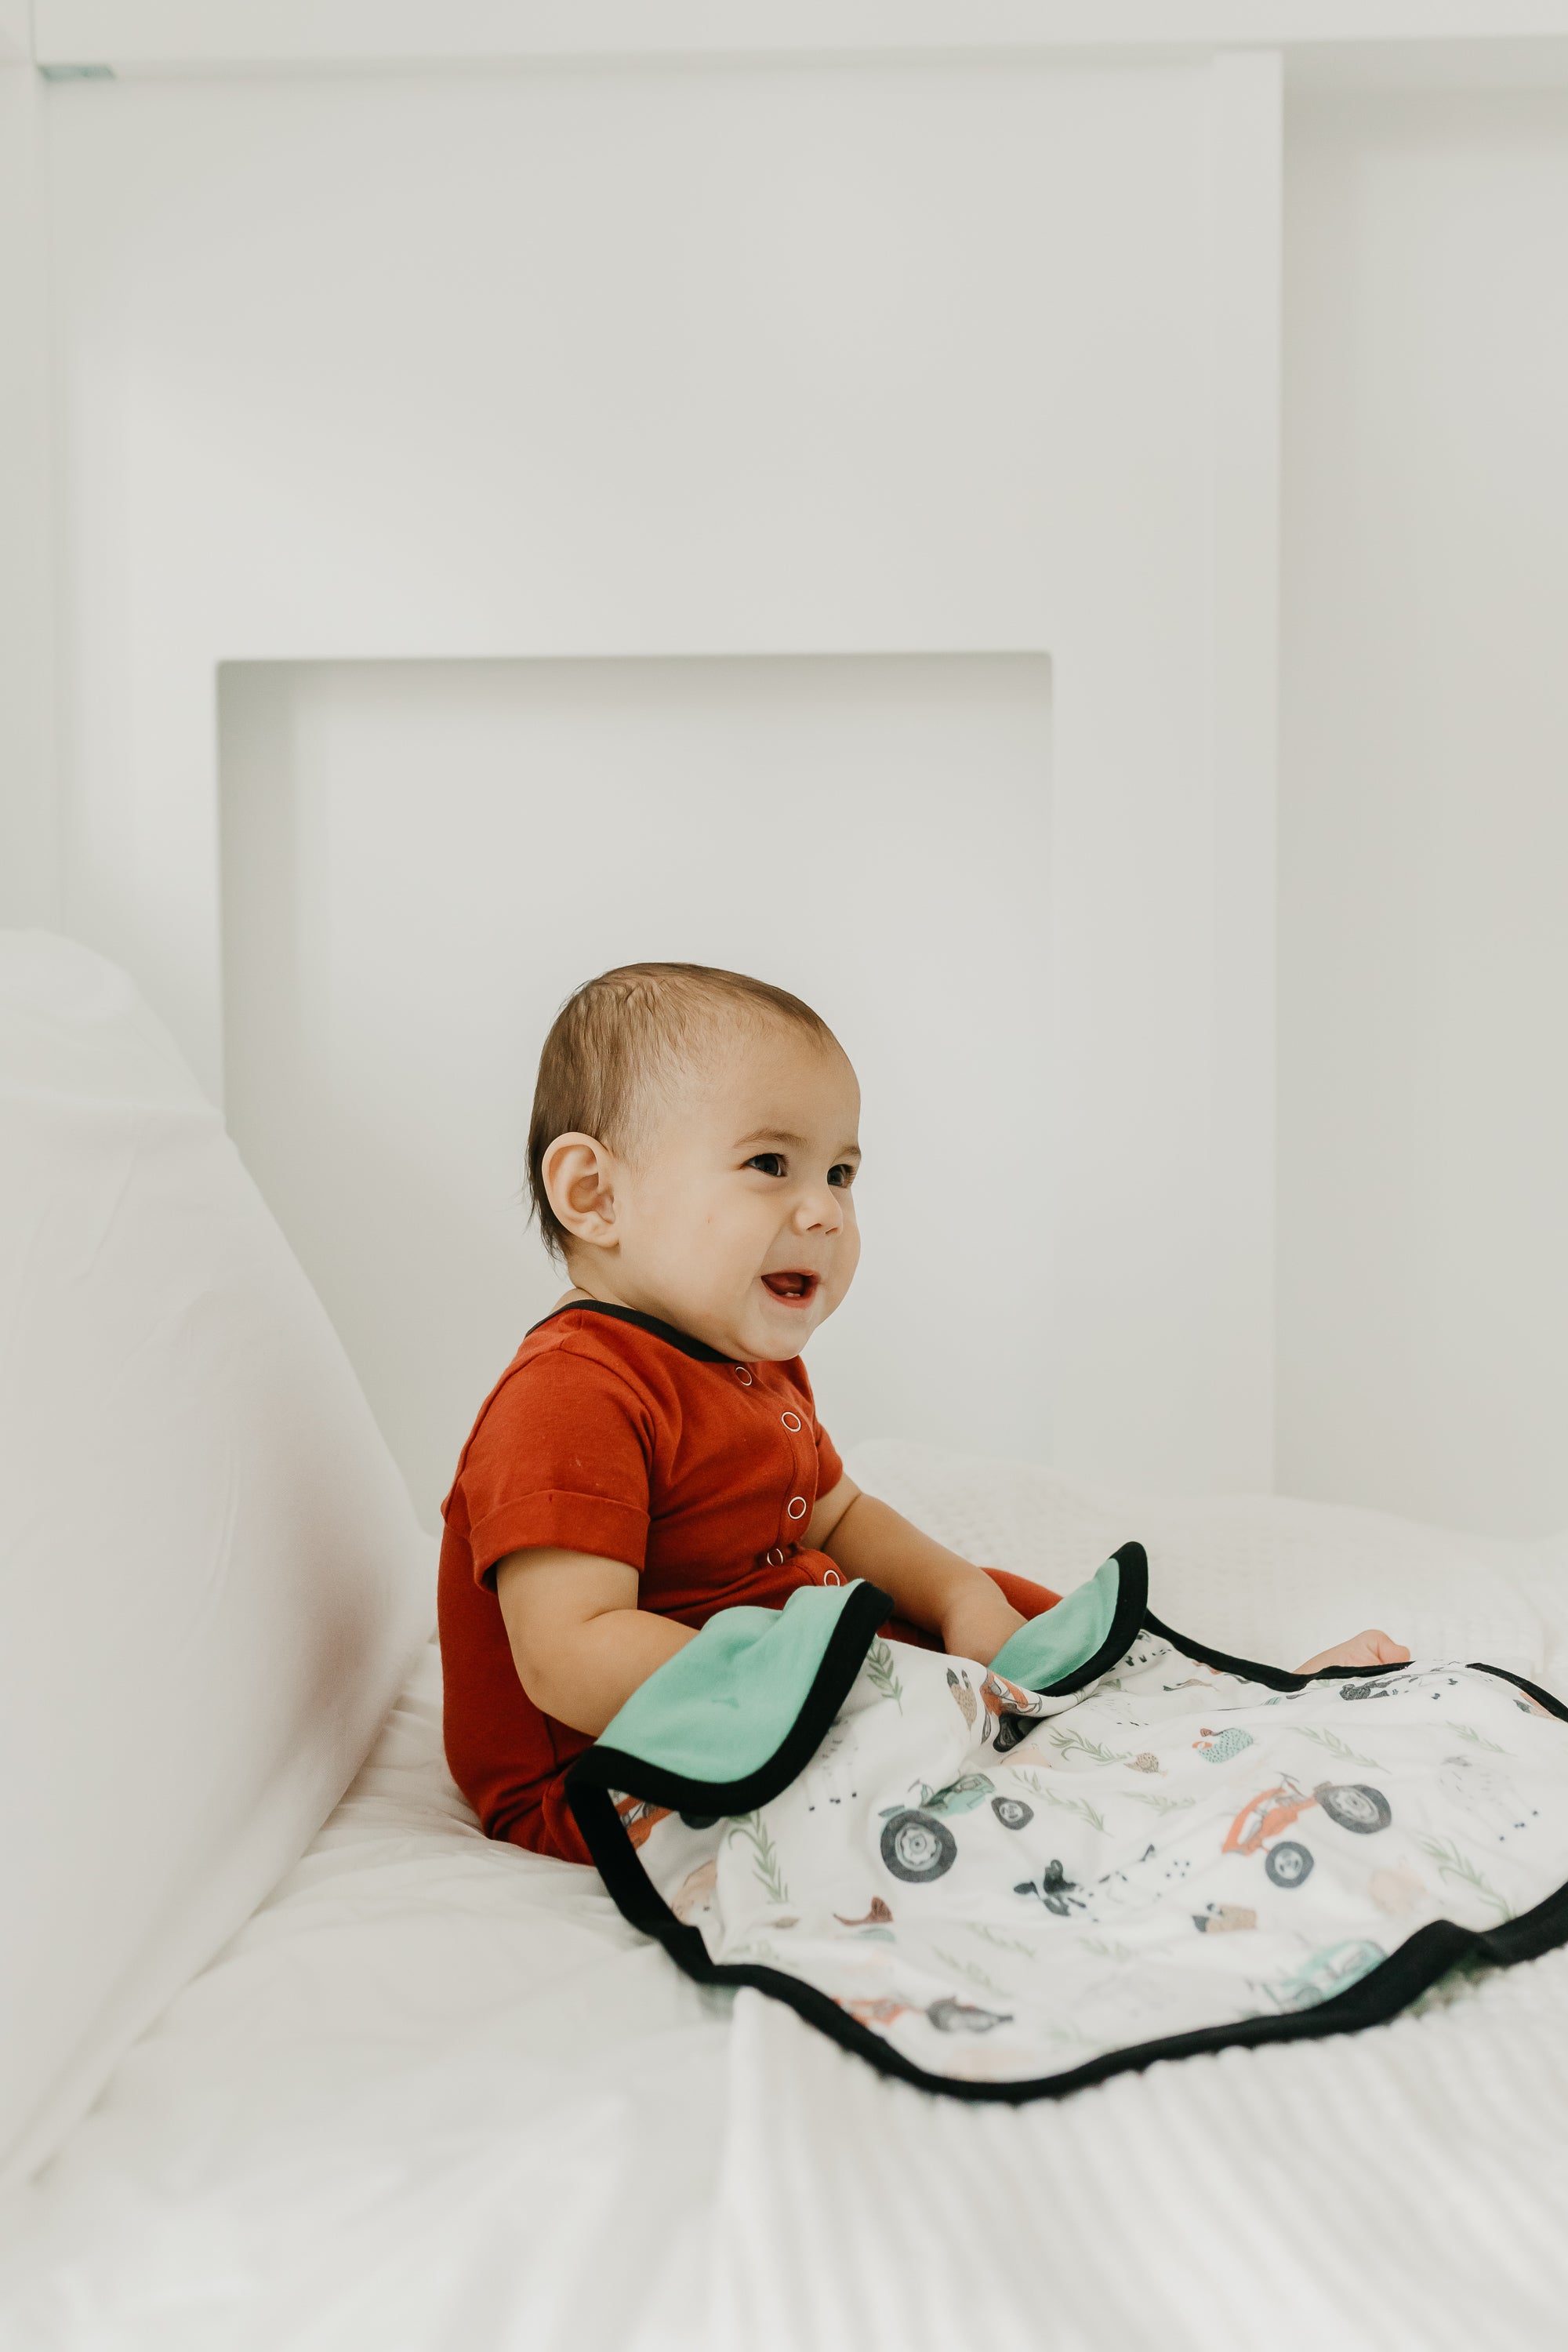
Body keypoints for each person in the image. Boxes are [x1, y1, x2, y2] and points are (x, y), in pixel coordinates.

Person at [437, 964, 1407, 1864]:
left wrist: (956, 1597)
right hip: (623, 1763)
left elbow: (838, 1515)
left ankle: (1219, 1708)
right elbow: (567, 1654)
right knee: (931, 1751)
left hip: (773, 1662)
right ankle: (1134, 1770)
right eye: (770, 1163)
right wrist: (828, 1686)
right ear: (594, 1195)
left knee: (1010, 1611)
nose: (824, 1211)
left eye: (840, 1174)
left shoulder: (744, 1366)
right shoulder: (570, 1393)